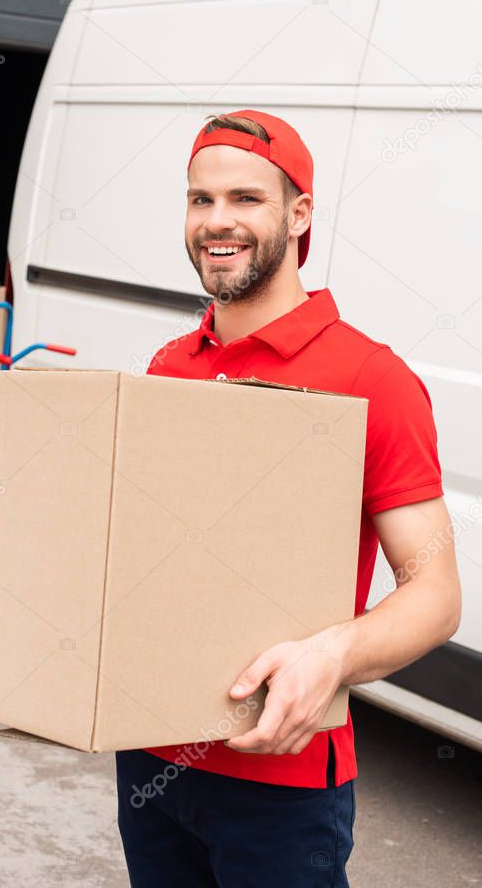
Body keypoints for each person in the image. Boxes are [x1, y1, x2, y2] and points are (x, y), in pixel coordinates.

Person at [115, 109, 461, 887]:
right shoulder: (169, 365)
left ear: (298, 214)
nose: (217, 222)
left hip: (281, 783)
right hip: (147, 755)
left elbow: (435, 594)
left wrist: (331, 652)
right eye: (199, 200)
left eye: (245, 198)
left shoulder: (371, 379)